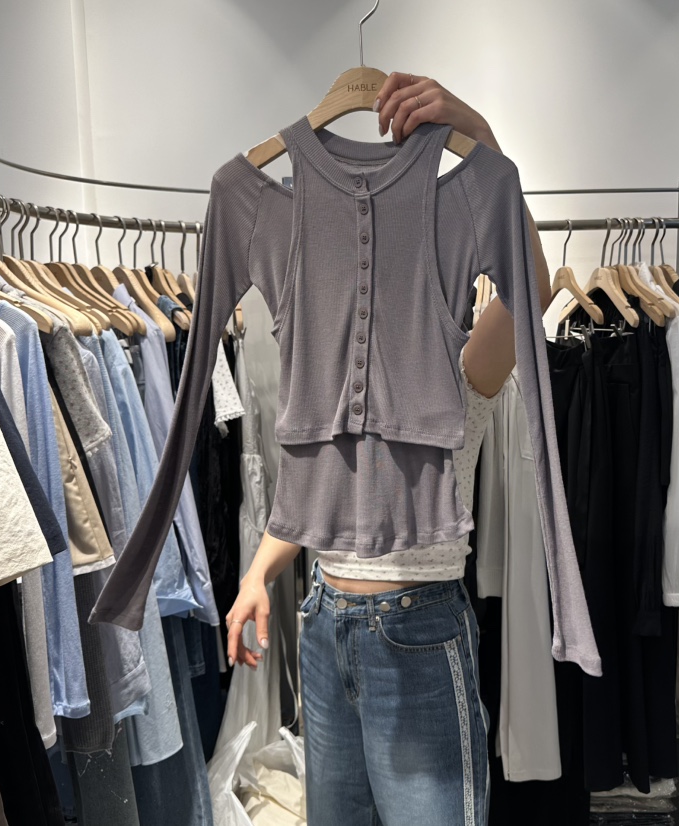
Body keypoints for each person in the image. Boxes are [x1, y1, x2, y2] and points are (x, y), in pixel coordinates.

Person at [225, 71, 552, 825]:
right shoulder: (333, 372)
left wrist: (477, 135)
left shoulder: (463, 371)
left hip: (419, 630)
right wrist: (257, 575)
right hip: (323, 619)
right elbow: (313, 494)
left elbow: (529, 288)